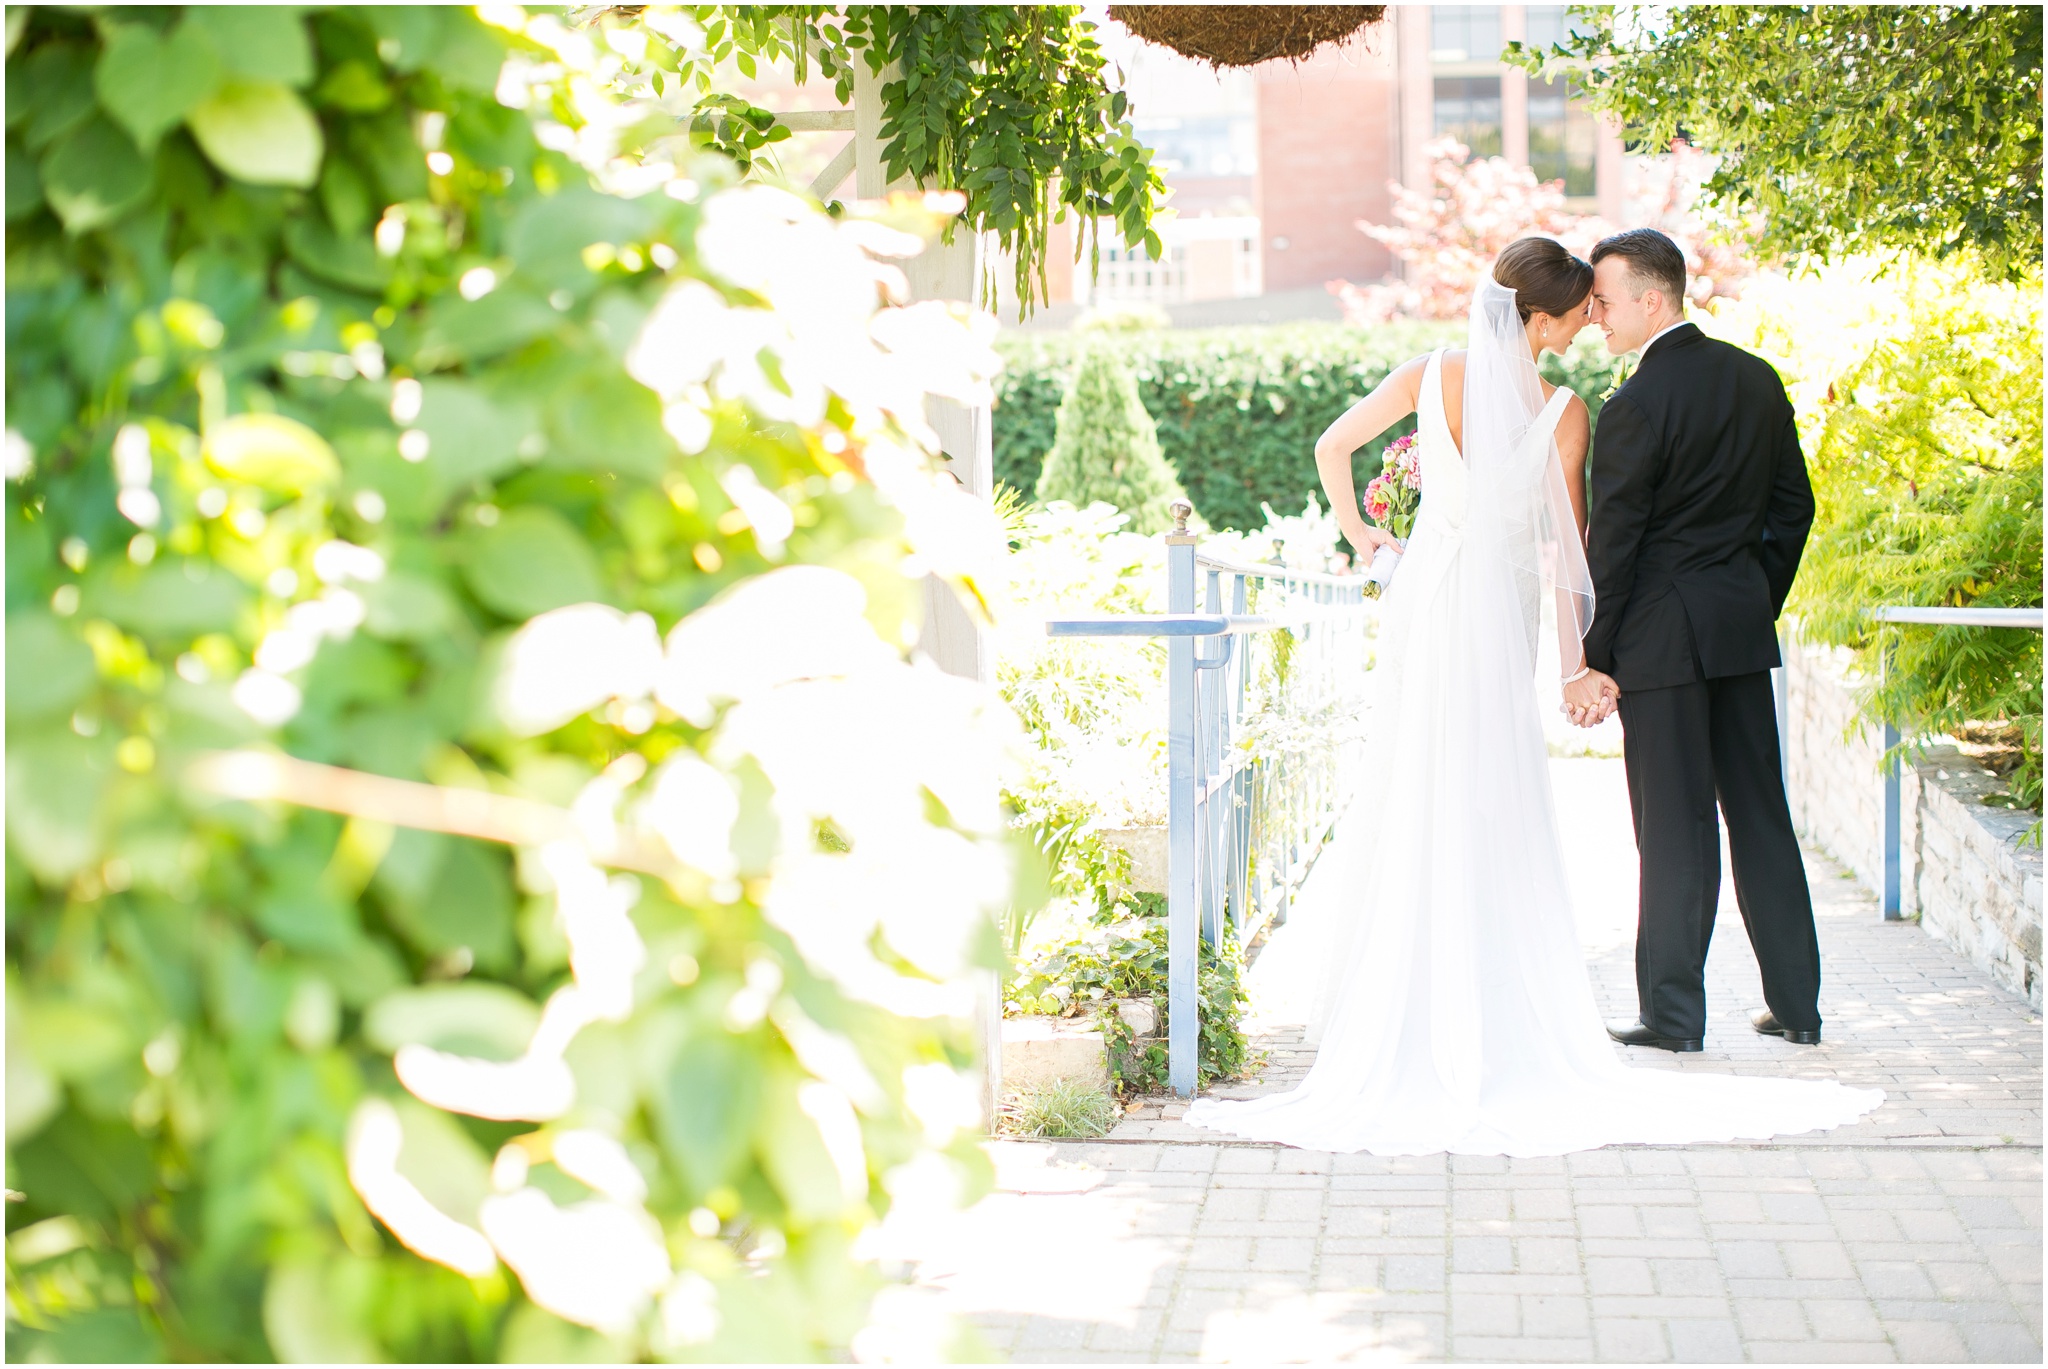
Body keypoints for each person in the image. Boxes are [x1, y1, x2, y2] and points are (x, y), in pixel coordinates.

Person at [1182, 237, 1882, 1156]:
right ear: (1544, 318)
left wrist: (1372, 543)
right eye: (1585, 306)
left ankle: (1653, 1013)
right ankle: (1797, 1005)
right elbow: (1743, 519)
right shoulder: (1693, 390)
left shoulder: (1493, 384)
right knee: (1753, 811)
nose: (1597, 317)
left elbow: (1593, 540)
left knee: (1538, 802)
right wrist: (1694, 619)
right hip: (1708, 629)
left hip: (1454, 609)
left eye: (1608, 302)